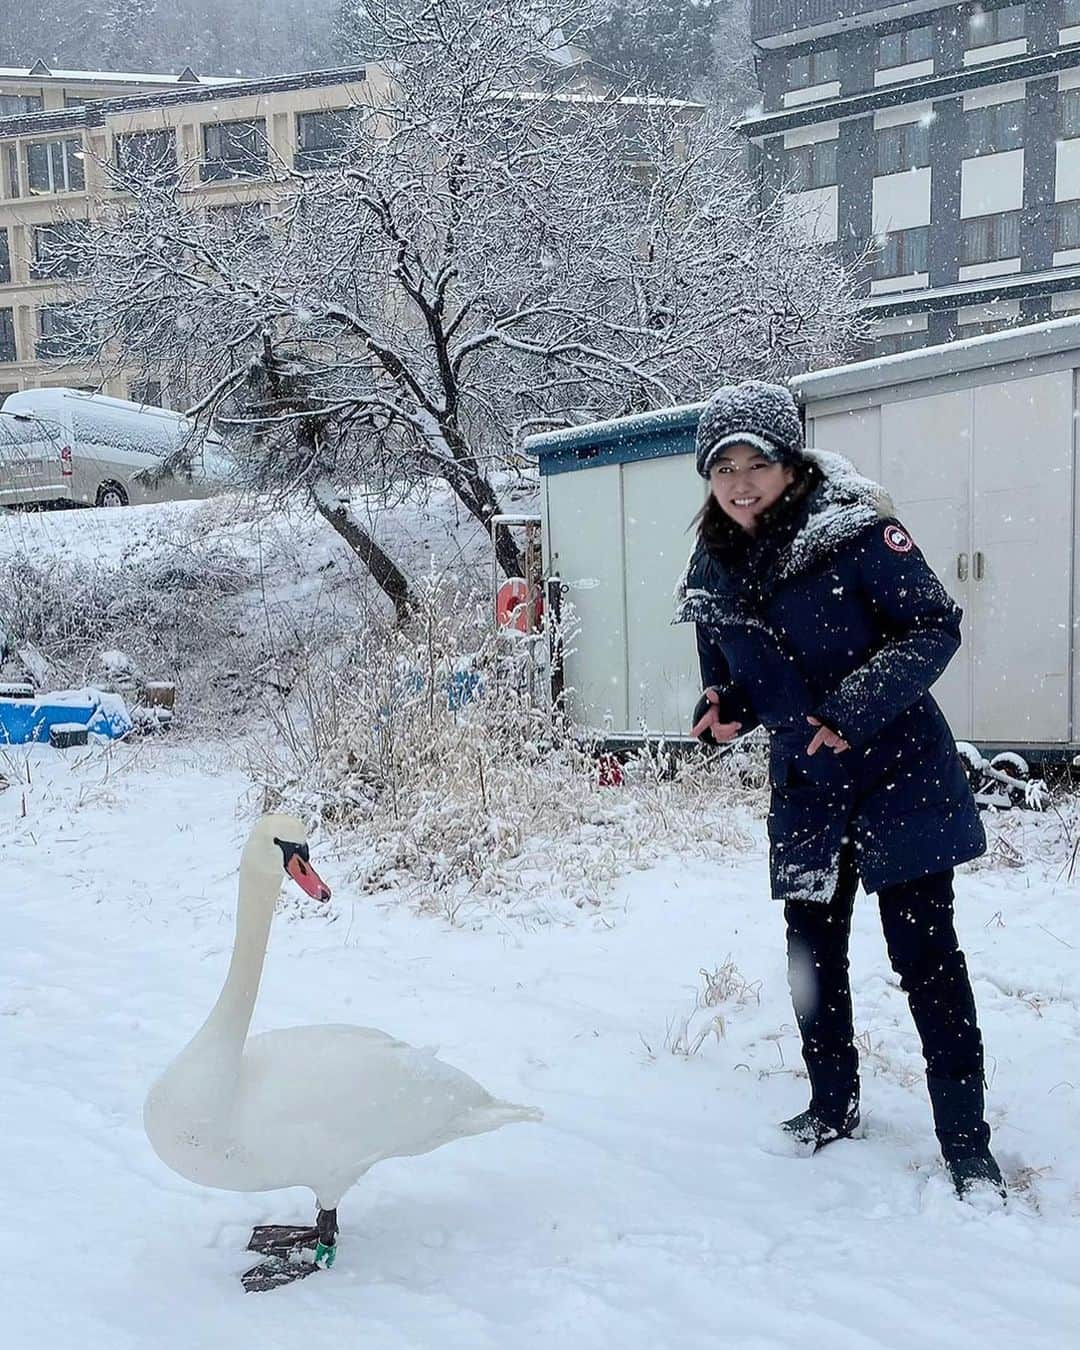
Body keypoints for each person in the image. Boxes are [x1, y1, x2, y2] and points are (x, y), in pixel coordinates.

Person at [673, 379, 1004, 1201]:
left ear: (792, 463)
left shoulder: (856, 534)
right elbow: (734, 676)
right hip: (808, 783)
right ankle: (831, 1103)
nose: (741, 482)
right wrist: (725, 710)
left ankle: (966, 1141)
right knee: (810, 955)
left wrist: (851, 709)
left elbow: (934, 624)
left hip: (899, 774)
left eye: (758, 463)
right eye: (723, 468)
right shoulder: (713, 563)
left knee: (925, 957)